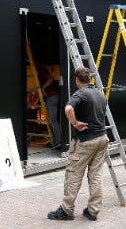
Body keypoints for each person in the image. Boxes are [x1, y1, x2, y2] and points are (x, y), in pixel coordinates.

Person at [47, 67, 108, 222]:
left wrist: (75, 123)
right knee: (96, 176)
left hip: (85, 141)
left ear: (77, 80)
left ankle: (67, 211)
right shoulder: (100, 93)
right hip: (102, 138)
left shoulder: (80, 93)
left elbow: (68, 108)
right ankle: (93, 211)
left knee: (73, 175)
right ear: (90, 79)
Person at [40, 65, 62, 150]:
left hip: (51, 97)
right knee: (55, 119)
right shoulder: (45, 70)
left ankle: (58, 142)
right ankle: (55, 141)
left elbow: (50, 78)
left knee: (53, 120)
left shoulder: (41, 71)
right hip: (54, 96)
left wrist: (43, 88)